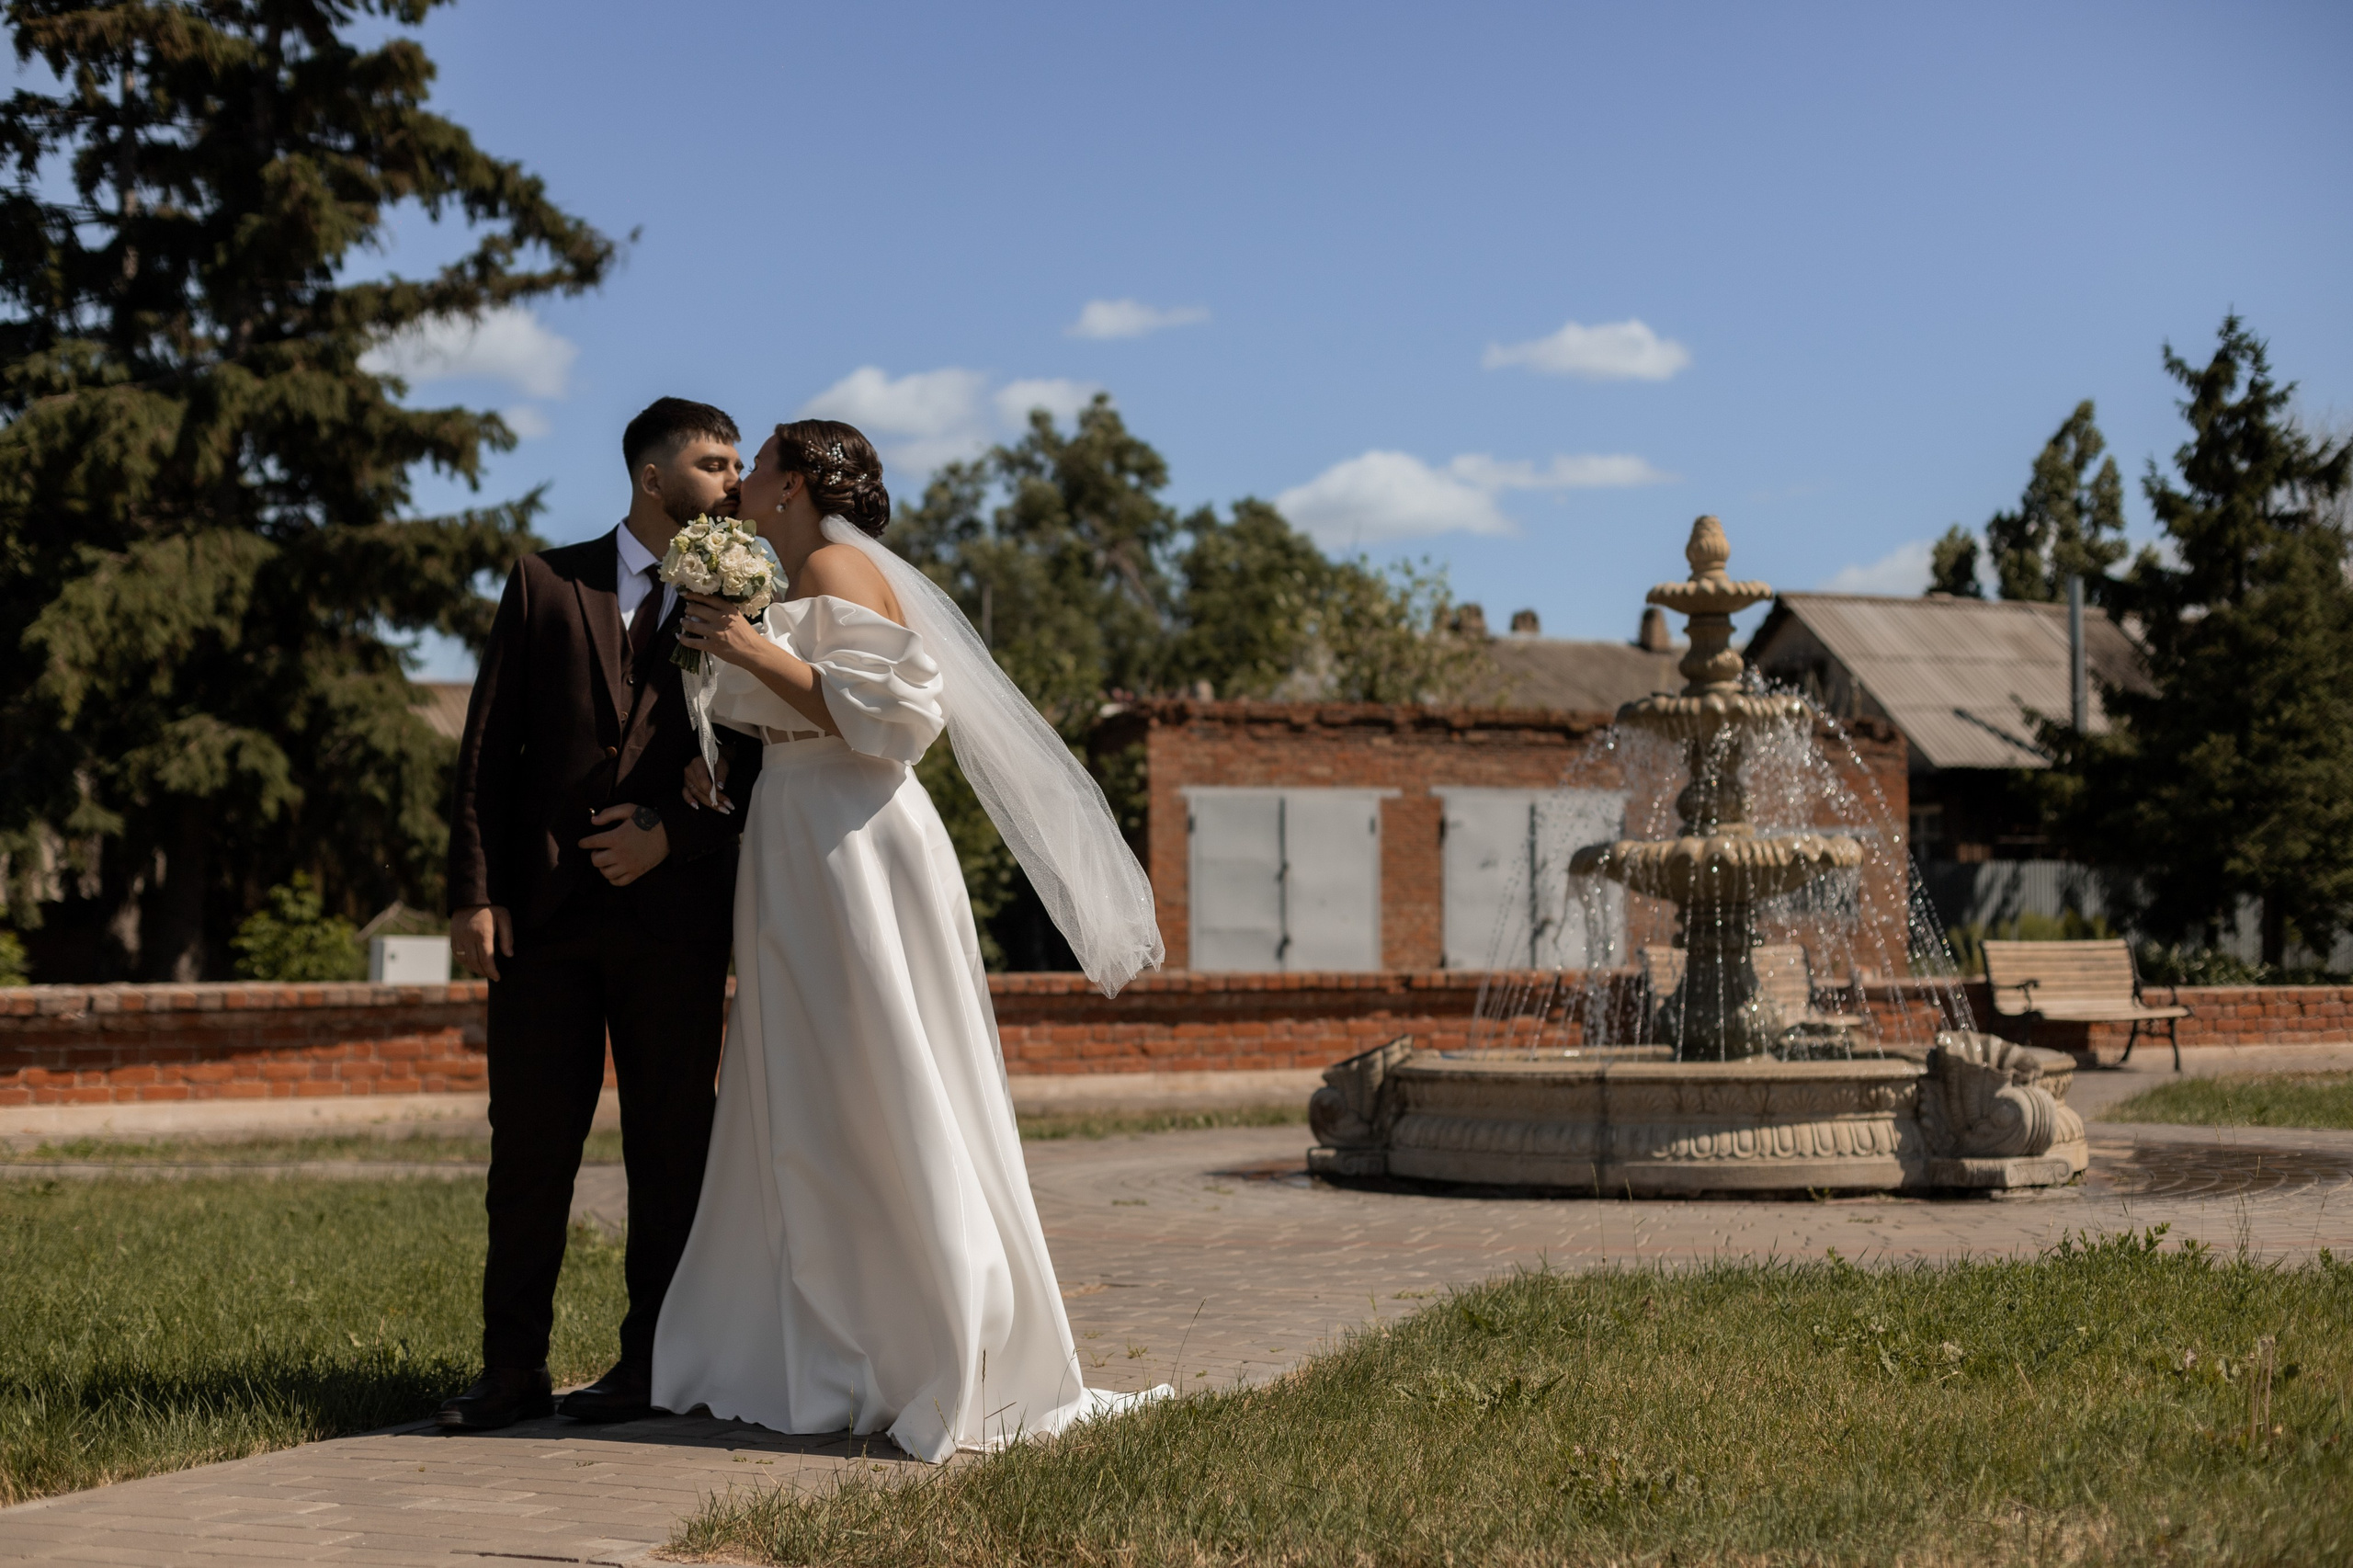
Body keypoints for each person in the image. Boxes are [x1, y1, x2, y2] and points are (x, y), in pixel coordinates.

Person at [652, 419, 1166, 1461]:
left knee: (882, 1073)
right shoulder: (798, 573)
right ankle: (837, 1339)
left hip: (854, 836)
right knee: (815, 1085)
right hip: (795, 832)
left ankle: (933, 1338)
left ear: (791, 484)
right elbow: (795, 710)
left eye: (757, 467)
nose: (741, 479)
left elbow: (893, 715)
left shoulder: (837, 563)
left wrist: (748, 646)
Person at [437, 398, 767, 1431]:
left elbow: (762, 757)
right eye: (716, 463)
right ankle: (511, 1371)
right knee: (529, 1147)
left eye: (740, 461)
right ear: (653, 476)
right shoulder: (546, 580)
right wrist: (474, 891)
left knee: (672, 1148)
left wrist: (671, 831)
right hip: (543, 919)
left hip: (674, 919)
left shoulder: (746, 601)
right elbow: (487, 749)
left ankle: (650, 1367)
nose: (736, 479)